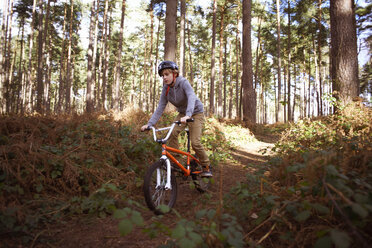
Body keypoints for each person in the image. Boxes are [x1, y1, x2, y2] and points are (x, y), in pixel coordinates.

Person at [141, 61, 212, 177]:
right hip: (183, 114)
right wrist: (150, 124)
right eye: (162, 75)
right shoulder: (166, 89)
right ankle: (177, 162)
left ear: (174, 74)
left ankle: (206, 165)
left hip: (196, 113)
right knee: (172, 134)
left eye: (167, 74)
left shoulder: (183, 82)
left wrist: (189, 114)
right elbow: (160, 107)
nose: (164, 77)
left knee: (195, 142)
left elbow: (191, 97)